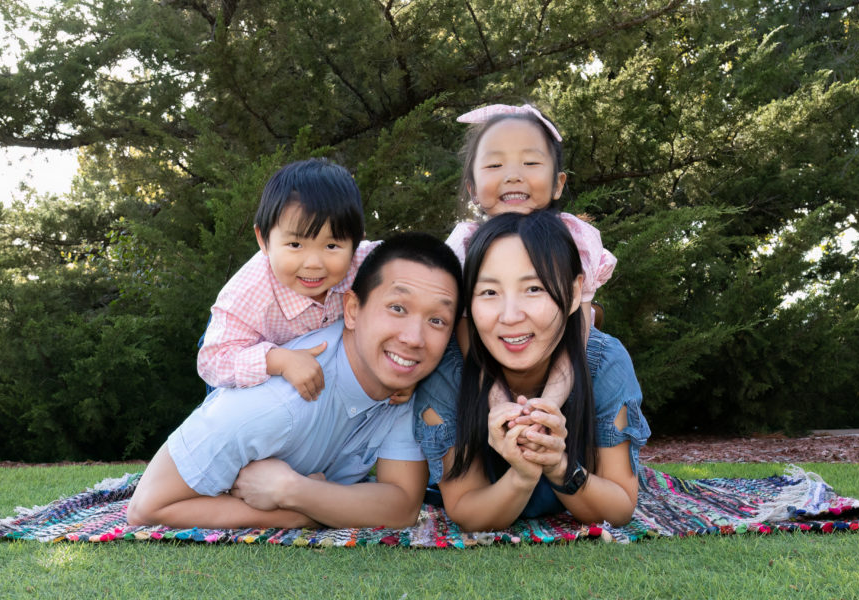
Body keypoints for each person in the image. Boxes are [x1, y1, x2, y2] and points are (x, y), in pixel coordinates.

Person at [127, 233, 463, 530]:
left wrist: (292, 491)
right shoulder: (274, 406)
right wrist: (296, 517)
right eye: (398, 308)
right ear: (352, 310)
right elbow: (147, 506)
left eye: (437, 319)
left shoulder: (403, 388)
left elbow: (402, 506)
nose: (415, 338)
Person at [414, 211, 650, 532]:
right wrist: (522, 476)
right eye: (489, 292)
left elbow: (619, 507)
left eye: (534, 289)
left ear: (574, 293)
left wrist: (558, 466)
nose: (510, 316)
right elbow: (466, 510)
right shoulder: (449, 371)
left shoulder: (604, 363)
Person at [197, 158, 378, 401]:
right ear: (263, 240)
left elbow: (414, 275)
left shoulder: (368, 261)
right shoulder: (247, 294)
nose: (313, 263)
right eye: (295, 244)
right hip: (238, 342)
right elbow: (212, 363)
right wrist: (278, 360)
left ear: (356, 244)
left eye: (332, 245)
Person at [447, 103, 617, 344]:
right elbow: (464, 323)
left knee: (608, 350)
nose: (514, 175)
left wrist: (564, 377)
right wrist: (483, 379)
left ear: (558, 184)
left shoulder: (575, 238)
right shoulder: (465, 243)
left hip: (565, 350)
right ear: (473, 188)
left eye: (530, 163)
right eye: (495, 165)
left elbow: (580, 325)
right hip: (486, 355)